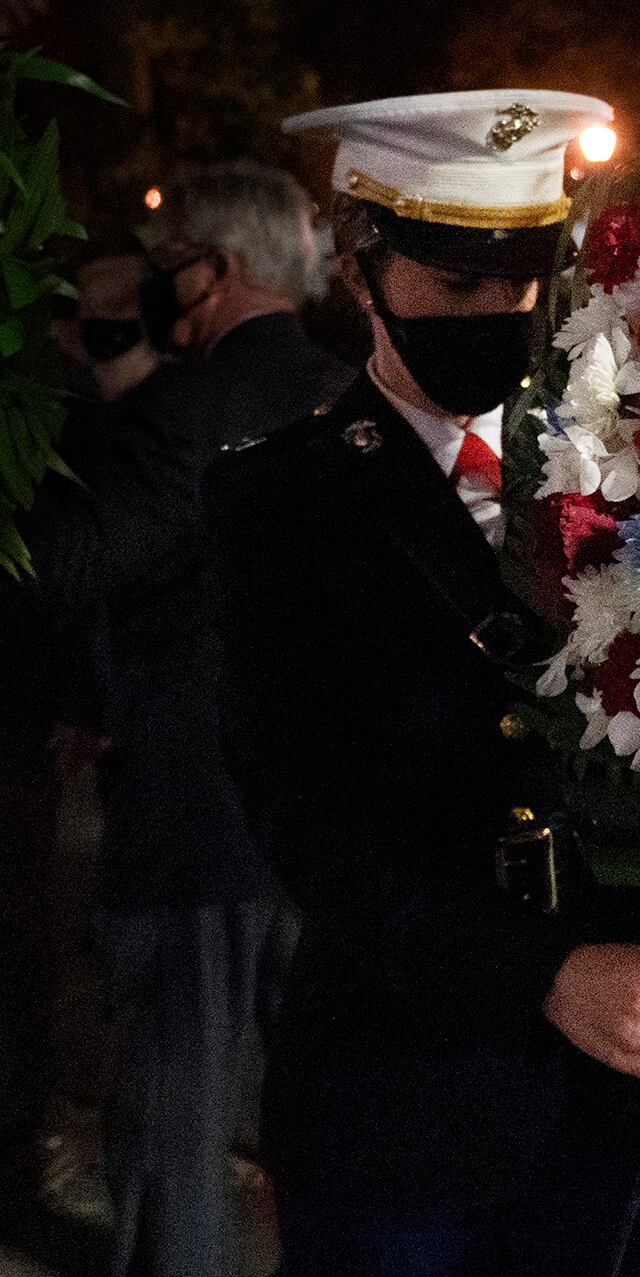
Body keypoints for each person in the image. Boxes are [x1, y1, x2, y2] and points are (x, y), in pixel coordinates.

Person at [205, 90, 640, 1277]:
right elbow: (308, 827)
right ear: (360, 269)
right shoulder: (282, 501)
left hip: (621, 1093)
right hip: (405, 1096)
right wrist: (538, 973)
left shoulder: (638, 474)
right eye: (456, 284)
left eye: (524, 279)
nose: (499, 312)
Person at [0, 165, 351, 1277]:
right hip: (333, 822)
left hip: (196, 821)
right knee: (322, 1120)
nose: (158, 288)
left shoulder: (183, 411)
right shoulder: (359, 397)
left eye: (166, 269)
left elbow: (65, 564)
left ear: (218, 270)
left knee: (173, 1127)